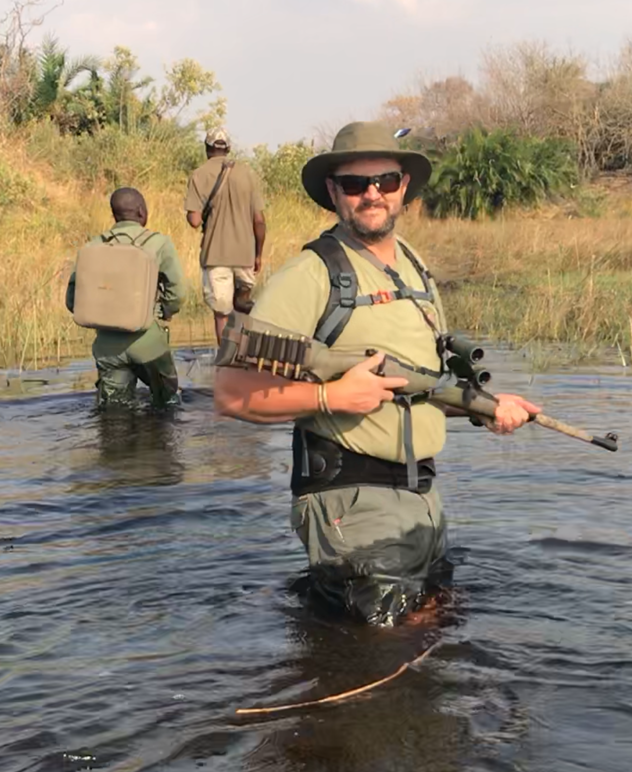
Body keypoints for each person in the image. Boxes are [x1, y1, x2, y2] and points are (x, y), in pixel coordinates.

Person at [214, 121, 539, 627]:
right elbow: (231, 393)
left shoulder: (412, 265)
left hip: (422, 502)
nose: (372, 194)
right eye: (354, 184)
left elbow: (415, 387)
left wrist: (487, 407)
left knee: (424, 642)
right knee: (382, 662)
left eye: (385, 181)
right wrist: (332, 398)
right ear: (332, 192)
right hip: (355, 504)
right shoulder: (312, 274)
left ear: (403, 186)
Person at [66, 187, 186, 409]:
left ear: (114, 215)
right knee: (168, 403)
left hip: (106, 348)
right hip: (148, 343)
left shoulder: (93, 246)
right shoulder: (159, 243)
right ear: (142, 212)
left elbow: (72, 300)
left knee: (114, 413)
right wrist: (163, 313)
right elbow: (178, 293)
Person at [184, 127, 266, 345]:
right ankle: (248, 358)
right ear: (228, 148)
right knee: (243, 309)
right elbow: (259, 220)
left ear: (207, 148)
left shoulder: (199, 174)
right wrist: (258, 254)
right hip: (245, 255)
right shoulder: (247, 173)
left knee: (222, 314)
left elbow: (194, 221)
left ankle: (226, 363)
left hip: (216, 255)